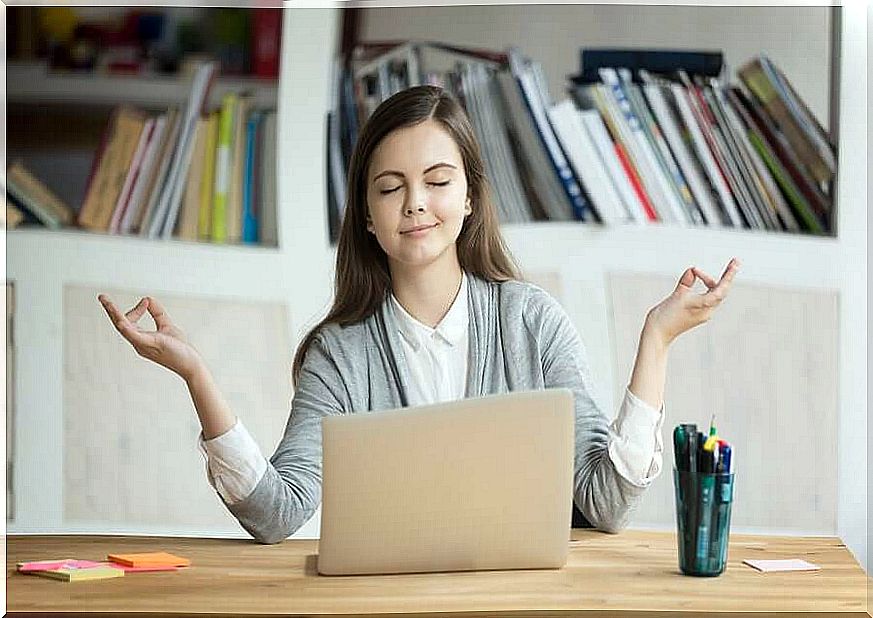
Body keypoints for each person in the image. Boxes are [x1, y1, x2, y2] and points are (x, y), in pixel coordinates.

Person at [98, 85, 739, 545]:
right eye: (390, 187)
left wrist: (657, 339)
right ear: (369, 218)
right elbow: (278, 515)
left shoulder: (531, 322)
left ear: (468, 199)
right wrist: (196, 376)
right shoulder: (340, 352)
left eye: (437, 180)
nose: (414, 204)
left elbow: (604, 506)